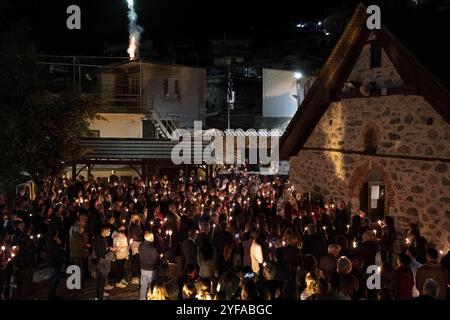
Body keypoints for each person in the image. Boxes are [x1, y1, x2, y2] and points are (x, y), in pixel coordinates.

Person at [93, 225, 114, 300]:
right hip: (103, 263)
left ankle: (97, 296)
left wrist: (109, 249)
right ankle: (100, 297)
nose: (109, 232)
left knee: (99, 280)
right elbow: (103, 254)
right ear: (105, 230)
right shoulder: (101, 240)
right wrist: (113, 253)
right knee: (101, 281)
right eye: (109, 231)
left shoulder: (98, 238)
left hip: (99, 261)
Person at [139, 232, 160, 300]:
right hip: (152, 270)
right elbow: (156, 259)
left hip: (143, 268)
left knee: (143, 287)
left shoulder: (141, 246)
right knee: (153, 287)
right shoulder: (153, 248)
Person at [69, 222, 89, 289]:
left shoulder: (76, 236)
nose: (82, 229)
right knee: (78, 269)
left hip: (77, 255)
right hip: (77, 255)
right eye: (81, 228)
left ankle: (78, 284)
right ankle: (78, 284)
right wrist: (85, 251)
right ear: (77, 229)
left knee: (78, 269)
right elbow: (78, 247)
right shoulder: (76, 237)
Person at [47, 230, 65, 300]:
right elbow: (58, 253)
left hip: (54, 263)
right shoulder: (53, 243)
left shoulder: (50, 242)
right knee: (54, 280)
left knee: (54, 280)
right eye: (56, 235)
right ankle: (51, 296)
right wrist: (60, 244)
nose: (58, 236)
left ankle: (52, 295)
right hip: (55, 263)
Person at [129, 214, 144, 284]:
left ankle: (136, 275)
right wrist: (143, 236)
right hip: (136, 245)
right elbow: (135, 237)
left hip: (137, 245)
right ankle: (134, 277)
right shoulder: (133, 226)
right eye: (136, 218)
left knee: (137, 261)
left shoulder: (136, 225)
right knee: (135, 261)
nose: (138, 219)